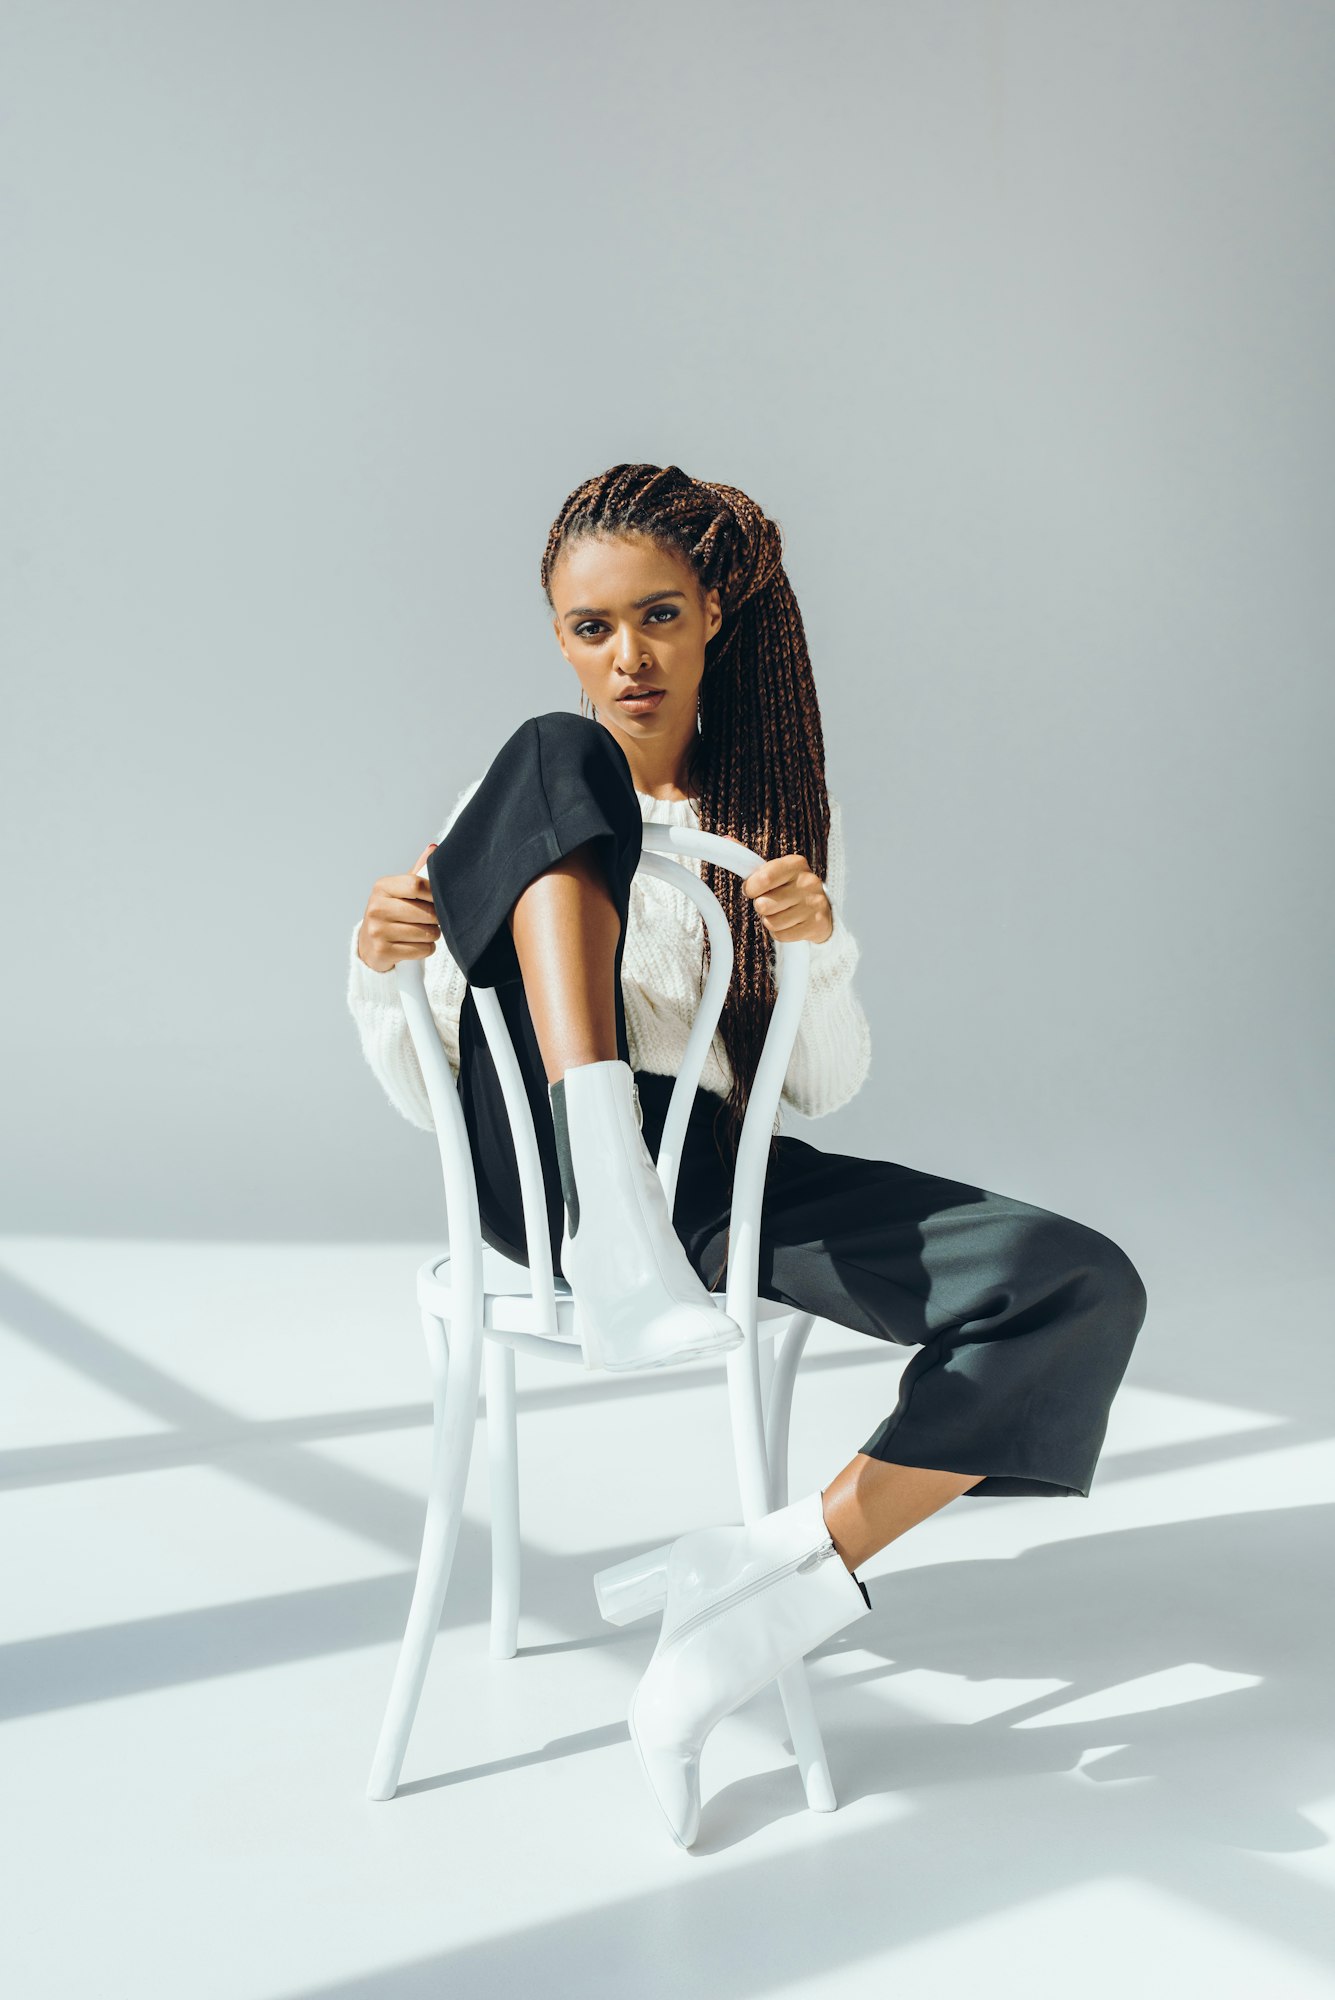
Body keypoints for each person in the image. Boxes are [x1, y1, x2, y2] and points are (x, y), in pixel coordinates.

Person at [348, 461, 1149, 1848]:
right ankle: (612, 1217)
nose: (628, 655)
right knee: (558, 754)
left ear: (715, 613)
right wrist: (381, 970)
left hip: (707, 1179)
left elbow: (819, 1088)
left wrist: (812, 946)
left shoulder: (763, 821)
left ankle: (756, 1587)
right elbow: (429, 1093)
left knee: (1077, 1283)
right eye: (593, 626)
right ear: (558, 632)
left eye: (657, 615)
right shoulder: (520, 789)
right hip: (542, 1161)